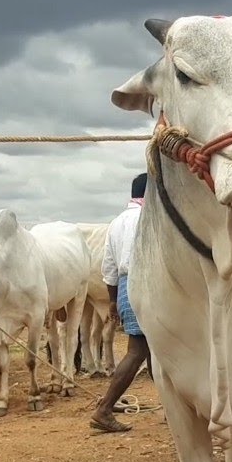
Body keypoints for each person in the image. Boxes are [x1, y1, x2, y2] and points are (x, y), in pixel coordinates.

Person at [90, 172, 150, 434]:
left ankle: (175, 411)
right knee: (138, 351)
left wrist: (113, 302)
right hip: (147, 282)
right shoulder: (148, 218)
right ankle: (104, 409)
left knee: (153, 351)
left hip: (125, 286)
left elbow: (109, 268)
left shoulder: (117, 222)